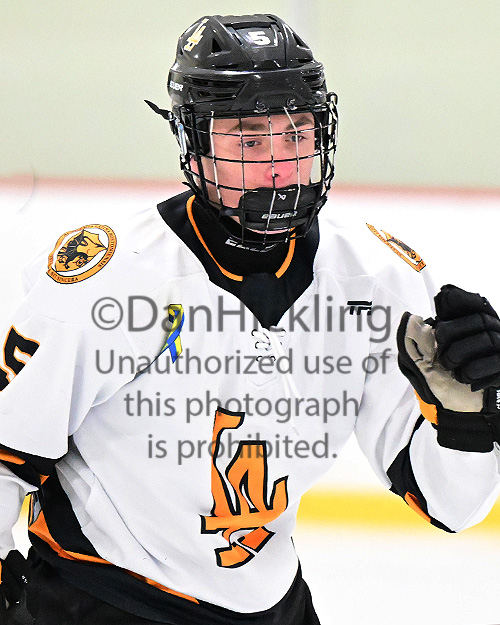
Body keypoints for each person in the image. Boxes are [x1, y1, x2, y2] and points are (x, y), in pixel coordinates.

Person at [1, 13, 500, 625]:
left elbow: (452, 505)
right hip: (98, 597)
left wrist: (466, 419)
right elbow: (7, 447)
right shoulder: (109, 278)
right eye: (249, 141)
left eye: (296, 135)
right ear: (194, 144)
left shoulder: (376, 280)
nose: (280, 167)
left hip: (273, 605)